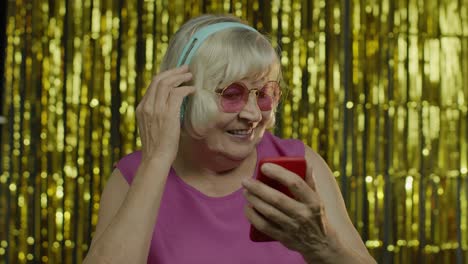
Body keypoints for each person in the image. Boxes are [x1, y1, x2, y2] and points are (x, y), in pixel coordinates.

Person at [83, 14, 376, 264]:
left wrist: (323, 248)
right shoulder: (134, 174)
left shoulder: (298, 162)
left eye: (263, 94)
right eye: (232, 94)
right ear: (183, 97)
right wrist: (156, 160)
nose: (252, 114)